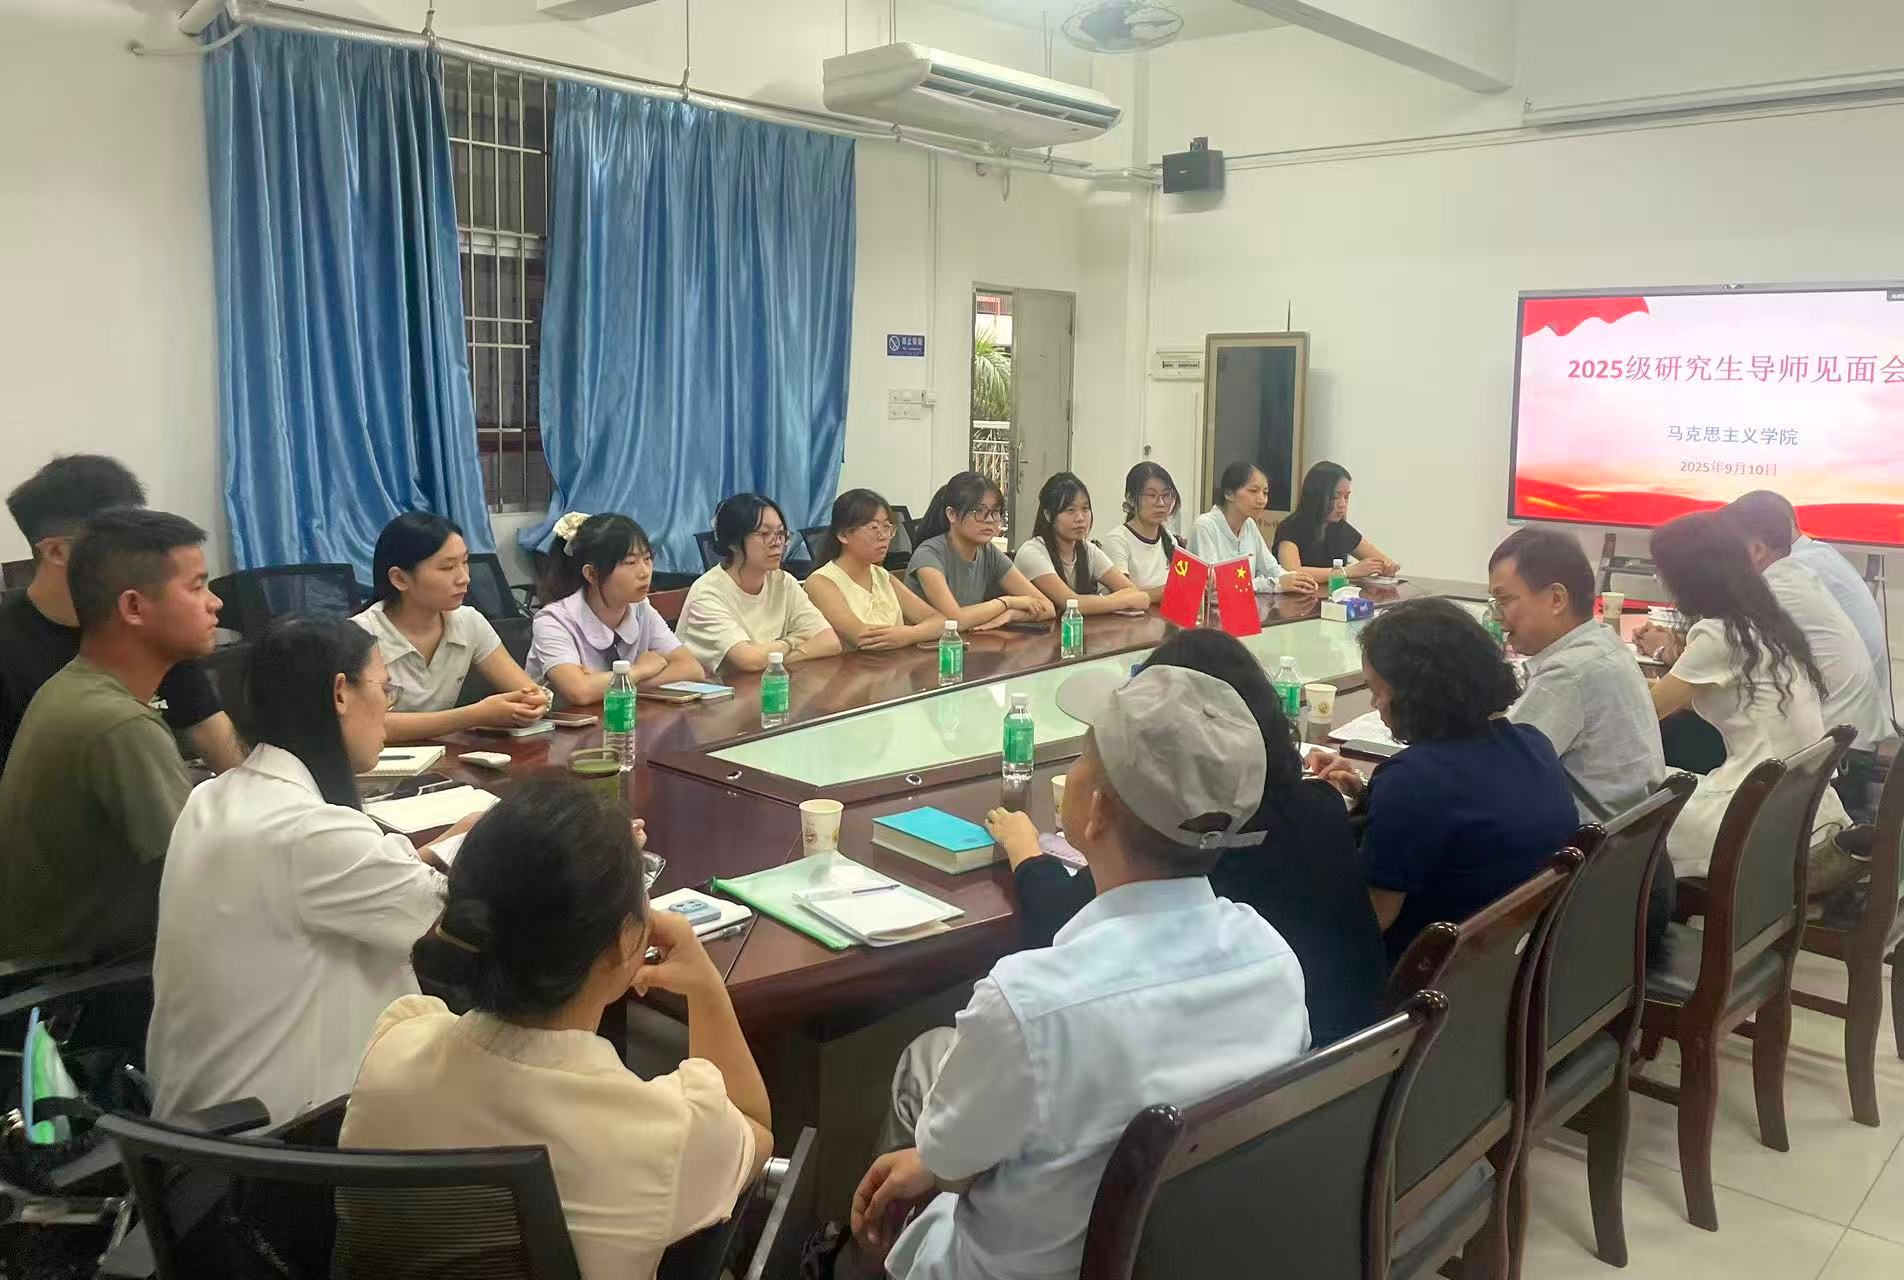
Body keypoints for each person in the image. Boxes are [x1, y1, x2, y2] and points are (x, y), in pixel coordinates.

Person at [846, 665, 1308, 1280]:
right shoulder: (1274, 959)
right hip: (1192, 1256)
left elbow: (951, 1167)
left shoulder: (1028, 1003)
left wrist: (934, 1161)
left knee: (925, 1076)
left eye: (1085, 756)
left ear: (1096, 812)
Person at [341, 777, 772, 1280]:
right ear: (627, 939)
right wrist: (707, 989)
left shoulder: (394, 1044)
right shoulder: (659, 1133)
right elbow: (752, 1129)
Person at [992, 627, 1386, 1046]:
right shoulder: (1320, 803)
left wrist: (1028, 854)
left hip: (1286, 1053)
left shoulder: (1193, 832)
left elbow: (1060, 929)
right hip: (1344, 1059)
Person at [147, 615, 469, 1123]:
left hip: (201, 1119)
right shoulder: (310, 831)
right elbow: (450, 920)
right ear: (340, 693)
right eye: (385, 689)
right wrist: (483, 841)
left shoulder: (213, 796)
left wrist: (442, 846)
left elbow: (351, 880)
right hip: (286, 1136)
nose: (388, 708)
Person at [0, 509, 221, 962]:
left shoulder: (73, 686)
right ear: (133, 608)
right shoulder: (119, 725)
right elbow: (204, 884)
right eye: (197, 586)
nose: (214, 603)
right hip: (88, 983)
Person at [1307, 598, 1578, 962]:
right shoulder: (1533, 745)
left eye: (1377, 690)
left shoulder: (1413, 782)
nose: (1375, 704)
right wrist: (1368, 791)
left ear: (1413, 692)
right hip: (1509, 962)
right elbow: (1461, 813)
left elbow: (1369, 921)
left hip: (1420, 974)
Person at [1487, 527, 1674, 957]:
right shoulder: (1603, 645)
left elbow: (1499, 777)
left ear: (1556, 598)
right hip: (1639, 876)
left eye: (1505, 600)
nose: (1498, 616)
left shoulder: (1569, 672)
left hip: (1594, 899)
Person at [1644, 512, 1853, 882]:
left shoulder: (1718, 635)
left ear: (1687, 579)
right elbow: (1707, 696)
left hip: (1751, 817)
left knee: (1628, 801)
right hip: (1805, 809)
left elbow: (1645, 713)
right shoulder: (1767, 624)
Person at [1, 454, 241, 774]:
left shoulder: (146, 621)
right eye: (119, 540)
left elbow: (211, 733)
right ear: (57, 551)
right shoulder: (10, 649)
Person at [352, 512, 548, 742]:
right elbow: (368, 724)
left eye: (464, 562)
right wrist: (476, 715)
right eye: (447, 568)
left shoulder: (468, 621)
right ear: (400, 579)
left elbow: (526, 690)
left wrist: (534, 702)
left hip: (446, 755)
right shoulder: (359, 635)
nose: (464, 578)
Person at [1722, 492, 1892, 752]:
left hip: (1837, 741)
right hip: (1853, 725)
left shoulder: (1791, 572)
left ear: (1757, 548)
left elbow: (1727, 646)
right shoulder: (1817, 556)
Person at [528, 512, 703, 704]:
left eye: (647, 558)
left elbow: (691, 668)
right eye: (630, 562)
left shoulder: (641, 608)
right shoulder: (553, 620)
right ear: (592, 574)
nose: (644, 572)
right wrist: (640, 670)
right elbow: (580, 691)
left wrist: (611, 685)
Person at [677, 493, 842, 675]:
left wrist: (775, 661)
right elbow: (749, 660)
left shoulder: (783, 581)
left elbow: (830, 642)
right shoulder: (707, 593)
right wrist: (791, 642)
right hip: (722, 690)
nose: (777, 543)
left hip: (769, 683)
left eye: (781, 534)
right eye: (765, 534)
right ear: (733, 543)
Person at [906, 471, 1054, 631]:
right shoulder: (928, 555)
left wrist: (1011, 614)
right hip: (927, 644)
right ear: (952, 514)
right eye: (979, 511)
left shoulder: (989, 552)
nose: (989, 520)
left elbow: (1047, 607)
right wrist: (1007, 603)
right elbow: (955, 620)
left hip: (968, 641)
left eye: (995, 512)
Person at [804, 489, 947, 651]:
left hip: (894, 663)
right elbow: (864, 638)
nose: (884, 536)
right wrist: (911, 633)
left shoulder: (882, 575)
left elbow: (940, 622)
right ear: (843, 535)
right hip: (854, 666)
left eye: (886, 527)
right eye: (874, 528)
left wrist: (907, 635)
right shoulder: (821, 582)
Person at [1011, 473, 1151, 616]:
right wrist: (1123, 601)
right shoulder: (1031, 553)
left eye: (1085, 508)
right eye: (1070, 510)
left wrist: (1108, 601)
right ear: (1048, 514)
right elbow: (1072, 604)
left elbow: (1138, 596)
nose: (1080, 518)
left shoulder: (1088, 550)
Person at [1187, 462, 1317, 594]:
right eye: (1253, 491)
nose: (1262, 500)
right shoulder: (1204, 526)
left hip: (1247, 604)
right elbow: (1216, 586)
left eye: (1265, 493)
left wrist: (1296, 579)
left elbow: (1271, 568)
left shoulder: (1249, 525)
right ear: (1229, 494)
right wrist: (1274, 584)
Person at [1273, 461, 1399, 580]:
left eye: (1346, 497)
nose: (1342, 504)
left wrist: (1387, 567)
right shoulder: (1290, 527)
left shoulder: (1340, 527)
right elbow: (1292, 571)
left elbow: (1382, 561)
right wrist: (1347, 571)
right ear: (1316, 496)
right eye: (1335, 497)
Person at [1097, 462, 1181, 602]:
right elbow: (1125, 595)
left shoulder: (1169, 538)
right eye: (1151, 495)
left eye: (1166, 495)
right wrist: (1169, 591)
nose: (1161, 503)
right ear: (1131, 499)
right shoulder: (1117, 540)